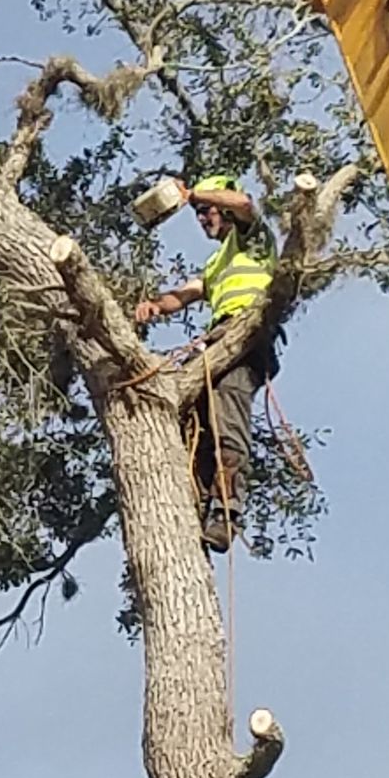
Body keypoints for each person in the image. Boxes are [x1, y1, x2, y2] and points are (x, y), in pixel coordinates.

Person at [133, 174, 277, 550]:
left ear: (222, 205)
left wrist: (189, 193)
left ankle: (227, 511)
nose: (201, 219)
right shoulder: (217, 264)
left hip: (244, 339)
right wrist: (155, 305)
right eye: (197, 213)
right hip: (215, 343)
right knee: (194, 420)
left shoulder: (253, 240)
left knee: (228, 417)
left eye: (205, 211)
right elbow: (183, 295)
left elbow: (245, 204)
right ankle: (196, 502)